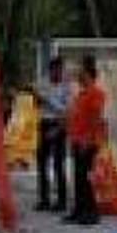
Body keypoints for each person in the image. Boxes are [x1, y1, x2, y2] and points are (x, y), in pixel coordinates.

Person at [64, 55, 106, 225]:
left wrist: (87, 140)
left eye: (81, 73)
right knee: (78, 177)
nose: (78, 76)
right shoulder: (81, 94)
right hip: (78, 140)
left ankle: (91, 212)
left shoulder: (96, 93)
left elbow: (95, 119)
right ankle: (79, 210)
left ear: (88, 74)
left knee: (86, 178)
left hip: (88, 142)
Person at [35, 58, 70, 212]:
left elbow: (66, 110)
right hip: (44, 123)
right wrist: (41, 100)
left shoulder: (66, 87)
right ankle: (44, 199)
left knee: (58, 163)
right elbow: (38, 102)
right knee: (42, 163)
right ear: (51, 71)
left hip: (59, 124)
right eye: (55, 71)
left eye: (60, 71)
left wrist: (48, 101)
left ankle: (61, 201)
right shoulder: (43, 83)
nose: (58, 74)